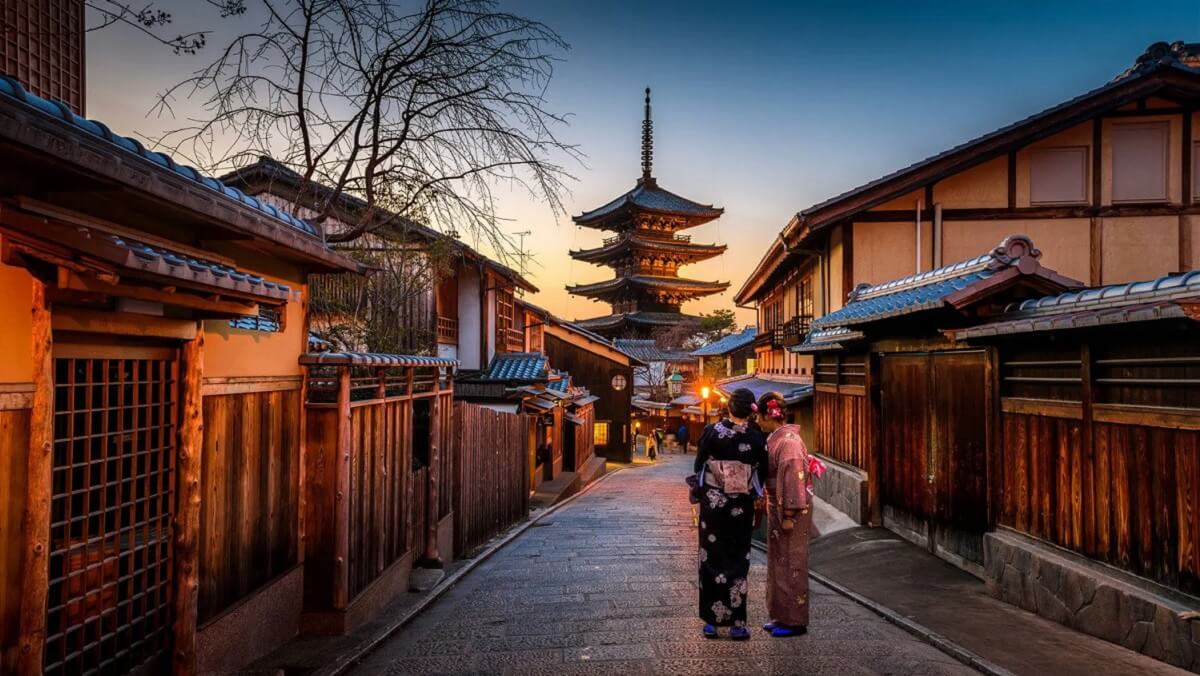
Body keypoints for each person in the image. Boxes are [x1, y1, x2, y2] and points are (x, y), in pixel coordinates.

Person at [694, 388, 768, 640]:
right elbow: (762, 471)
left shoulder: (712, 432)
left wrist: (703, 487)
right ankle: (738, 623)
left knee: (711, 558)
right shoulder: (757, 436)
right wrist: (752, 490)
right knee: (738, 559)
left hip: (714, 506)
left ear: (729, 407)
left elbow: (699, 464)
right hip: (741, 507)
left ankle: (712, 623)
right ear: (751, 410)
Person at [756, 391, 824, 638]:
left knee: (792, 562)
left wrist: (789, 514)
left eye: (759, 417)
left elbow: (794, 479)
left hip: (791, 510)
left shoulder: (789, 443)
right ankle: (781, 614)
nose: (757, 422)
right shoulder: (778, 438)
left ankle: (794, 620)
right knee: (779, 561)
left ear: (767, 414)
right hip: (778, 506)